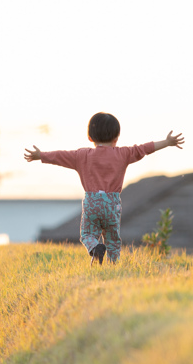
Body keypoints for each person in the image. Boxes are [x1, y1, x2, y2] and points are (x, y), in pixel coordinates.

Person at [24, 112, 184, 264]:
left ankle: (95, 248)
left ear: (89, 137)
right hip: (112, 204)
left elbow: (60, 156)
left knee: (87, 234)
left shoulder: (81, 155)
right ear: (116, 137)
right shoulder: (123, 154)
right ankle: (113, 265)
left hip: (92, 203)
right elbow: (143, 148)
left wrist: (41, 155)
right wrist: (167, 142)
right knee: (112, 239)